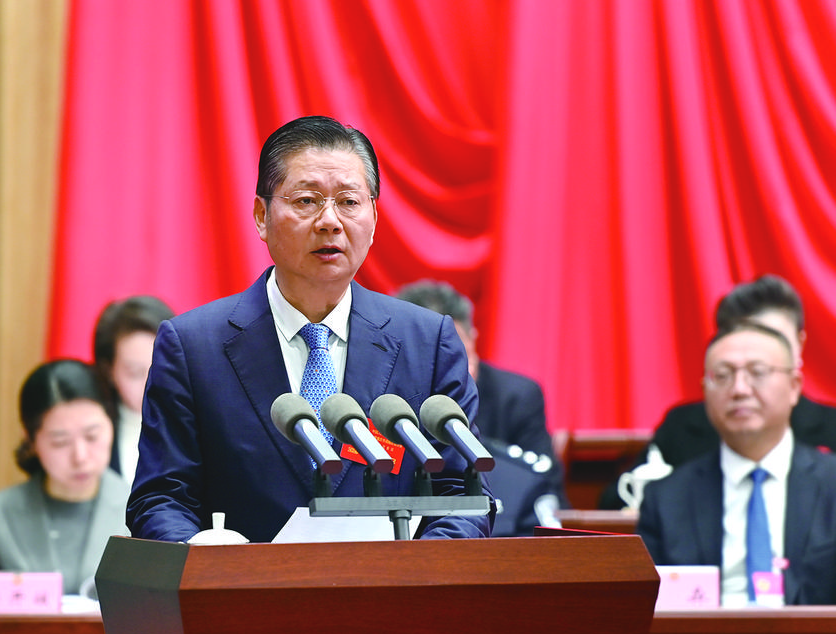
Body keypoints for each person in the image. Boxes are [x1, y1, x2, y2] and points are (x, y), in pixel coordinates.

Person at [127, 115, 491, 543]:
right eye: (307, 200)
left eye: (349, 202)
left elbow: (462, 493)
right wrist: (206, 559)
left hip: (391, 585)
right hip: (245, 584)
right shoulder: (193, 347)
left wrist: (416, 573)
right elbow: (161, 498)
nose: (330, 221)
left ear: (374, 218)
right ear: (262, 216)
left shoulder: (427, 343)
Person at [637, 322, 836, 606]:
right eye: (723, 375)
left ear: (794, 387)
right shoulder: (667, 498)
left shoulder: (831, 482)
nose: (739, 389)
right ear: (705, 391)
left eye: (758, 372)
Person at [599, 274, 836, 509]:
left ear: (799, 344)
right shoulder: (685, 428)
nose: (742, 388)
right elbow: (618, 502)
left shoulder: (830, 429)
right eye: (742, 341)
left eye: (772, 339)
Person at [396, 279, 567, 533]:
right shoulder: (386, 401)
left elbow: (544, 487)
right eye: (427, 359)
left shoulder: (516, 397)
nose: (443, 372)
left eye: (453, 355)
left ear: (473, 341)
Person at [0, 359, 130, 596]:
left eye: (92, 436)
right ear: (30, 440)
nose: (80, 456)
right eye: (60, 442)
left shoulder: (142, 511)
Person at [92, 295, 175, 484]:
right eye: (135, 373)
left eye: (162, 368)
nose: (151, 383)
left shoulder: (201, 422)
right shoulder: (92, 431)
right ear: (109, 370)